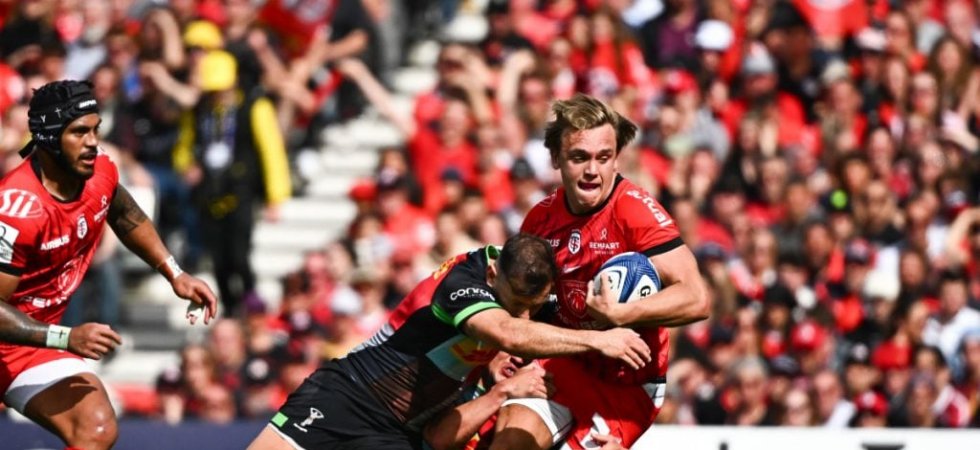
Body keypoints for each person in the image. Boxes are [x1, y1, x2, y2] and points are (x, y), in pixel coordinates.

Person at [247, 233, 652, 449]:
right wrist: (600, 341)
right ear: (493, 275)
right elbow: (508, 332)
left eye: (534, 304)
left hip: (396, 432)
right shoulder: (460, 282)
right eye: (517, 304)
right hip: (346, 396)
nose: (525, 314)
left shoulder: (519, 286)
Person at [0, 79, 218, 449]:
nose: (92, 142)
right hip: (22, 333)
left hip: (27, 346)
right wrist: (67, 337)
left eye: (96, 129)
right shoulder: (17, 209)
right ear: (49, 137)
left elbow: (124, 212)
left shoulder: (99, 171)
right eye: (79, 132)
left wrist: (174, 273)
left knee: (96, 428)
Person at [497, 94, 710, 449]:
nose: (592, 171)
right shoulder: (540, 219)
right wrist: (502, 353)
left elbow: (696, 298)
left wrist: (623, 313)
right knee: (509, 439)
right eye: (579, 158)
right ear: (555, 159)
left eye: (603, 158)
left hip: (627, 385)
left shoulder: (634, 211)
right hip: (566, 363)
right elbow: (522, 303)